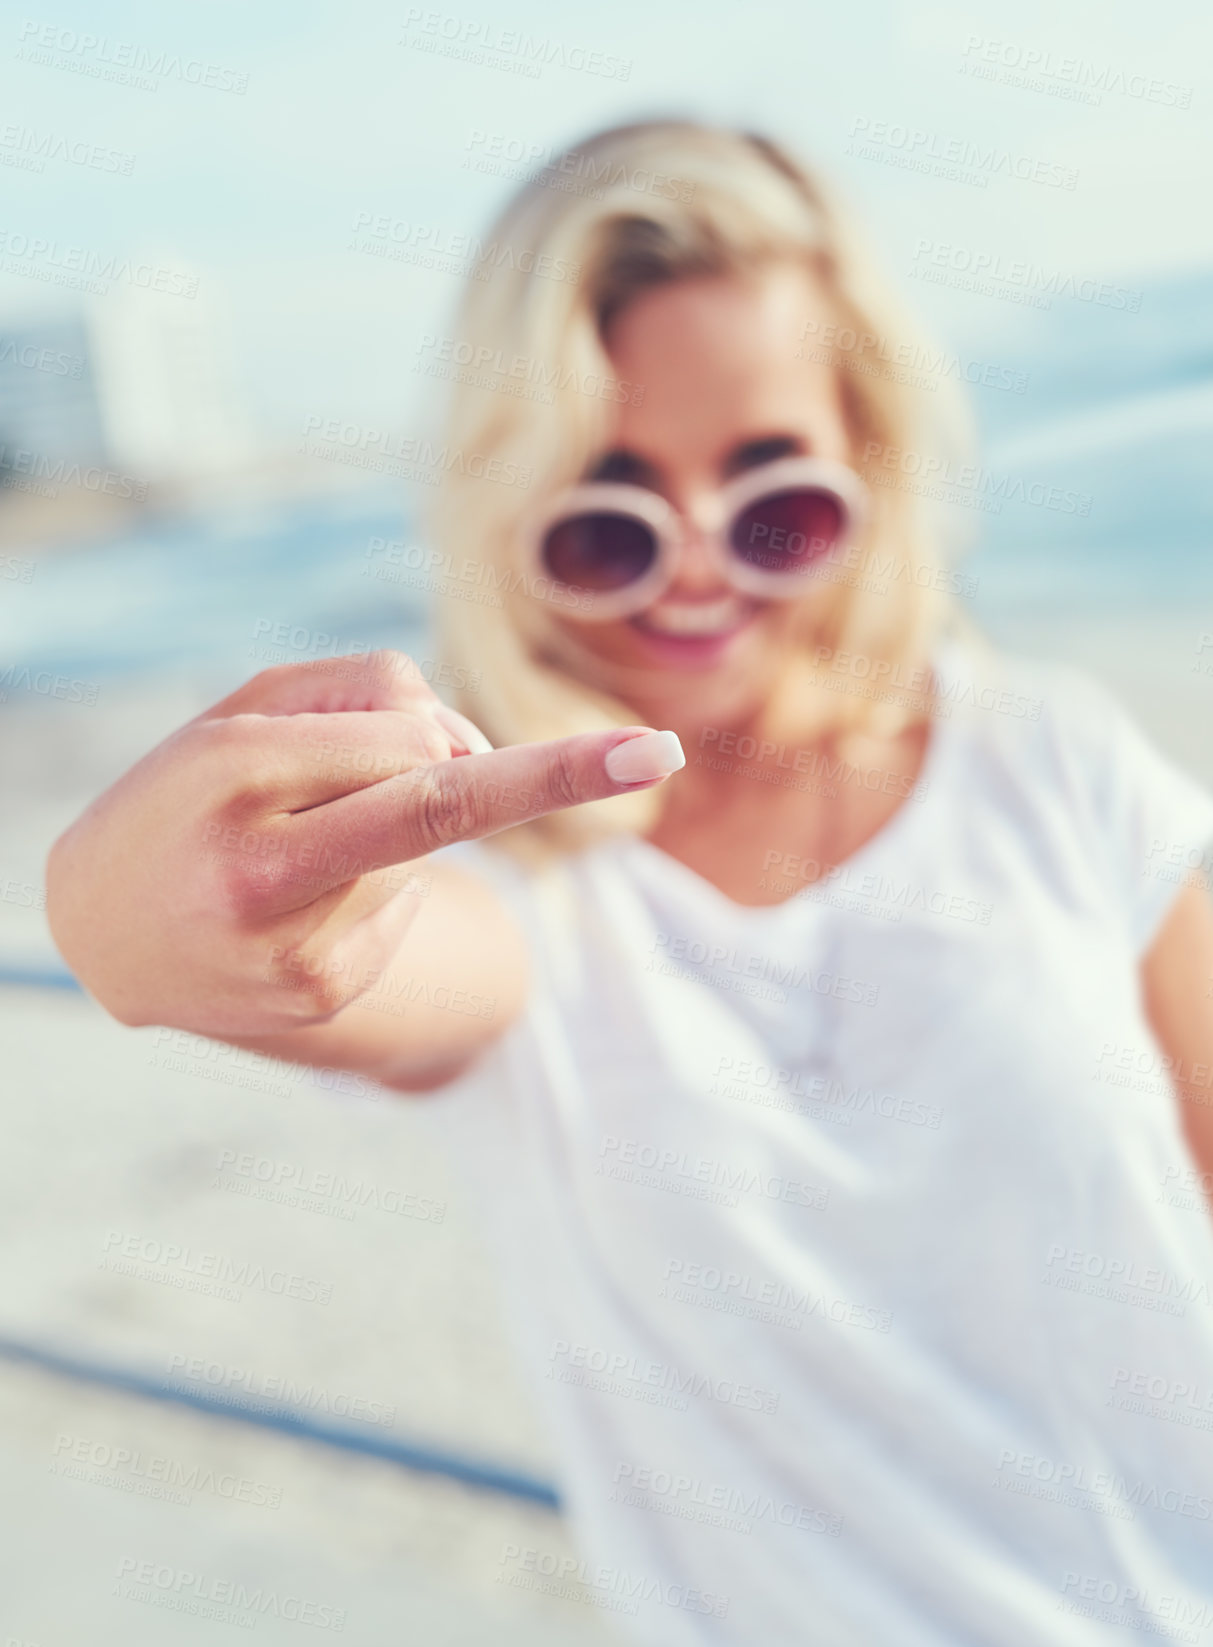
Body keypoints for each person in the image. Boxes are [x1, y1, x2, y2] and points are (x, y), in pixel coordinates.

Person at [48, 121, 1213, 1644]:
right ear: (502, 505)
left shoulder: (1055, 761)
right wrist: (113, 914)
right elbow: (365, 961)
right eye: (607, 513)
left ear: (865, 452)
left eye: (769, 492)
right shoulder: (511, 878)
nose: (694, 569)